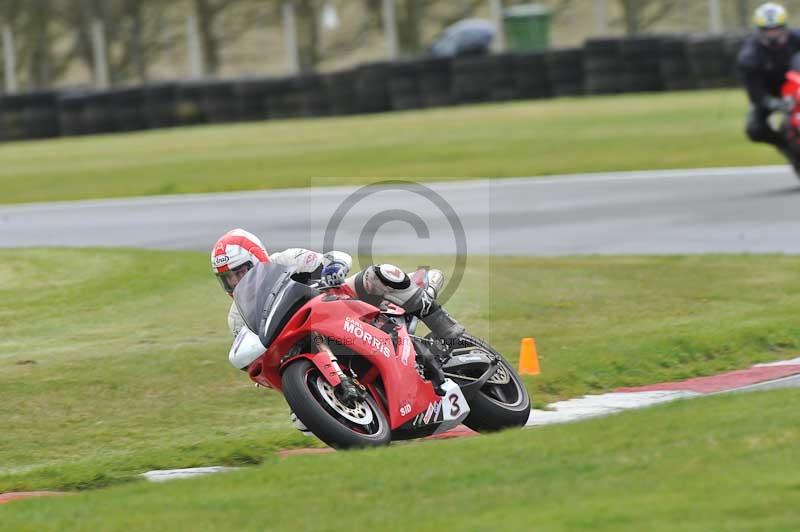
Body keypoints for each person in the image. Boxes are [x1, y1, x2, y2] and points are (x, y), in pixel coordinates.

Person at [211, 228, 461, 398]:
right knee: (302, 422)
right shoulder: (236, 317)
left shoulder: (285, 259)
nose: (236, 283)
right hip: (306, 341)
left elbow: (334, 258)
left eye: (240, 272)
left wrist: (333, 267)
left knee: (380, 274)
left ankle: (443, 324)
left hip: (339, 305)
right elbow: (254, 353)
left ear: (257, 259)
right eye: (228, 279)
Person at [738, 3, 800, 168]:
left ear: (784, 27)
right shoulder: (749, 56)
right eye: (767, 30)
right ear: (759, 30)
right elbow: (755, 93)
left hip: (797, 87)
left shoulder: (797, 38)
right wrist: (773, 103)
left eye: (776, 29)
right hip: (770, 94)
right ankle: (786, 145)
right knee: (754, 129)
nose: (773, 34)